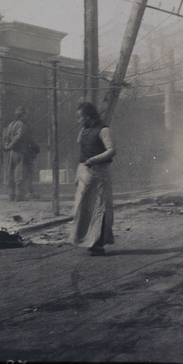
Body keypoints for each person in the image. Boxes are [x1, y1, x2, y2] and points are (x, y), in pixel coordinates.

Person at [70, 101, 116, 256]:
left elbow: (111, 150)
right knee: (85, 208)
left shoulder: (103, 130)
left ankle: (99, 244)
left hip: (99, 174)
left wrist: (94, 160)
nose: (78, 121)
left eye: (80, 117)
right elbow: (81, 148)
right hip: (86, 174)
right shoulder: (83, 130)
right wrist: (79, 172)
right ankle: (89, 240)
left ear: (88, 117)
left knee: (100, 209)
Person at [2, 106, 40, 201]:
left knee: (11, 173)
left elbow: (4, 137)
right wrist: (36, 147)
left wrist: (7, 146)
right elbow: (20, 138)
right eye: (26, 115)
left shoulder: (10, 125)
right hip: (20, 153)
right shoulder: (22, 125)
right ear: (22, 115)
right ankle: (19, 196)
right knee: (20, 174)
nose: (27, 117)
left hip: (11, 153)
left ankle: (11, 195)